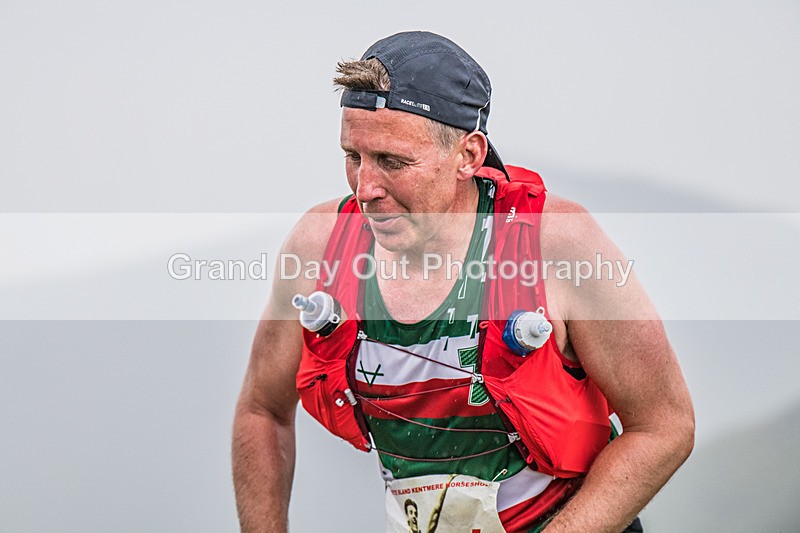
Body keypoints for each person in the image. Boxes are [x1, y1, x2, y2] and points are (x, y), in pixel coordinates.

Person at [232, 31, 694, 532]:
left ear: (469, 156)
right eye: (353, 156)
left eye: (392, 161)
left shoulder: (556, 243)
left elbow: (664, 427)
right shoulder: (319, 245)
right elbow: (262, 410)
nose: (365, 188)